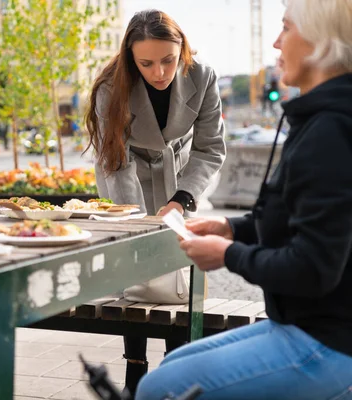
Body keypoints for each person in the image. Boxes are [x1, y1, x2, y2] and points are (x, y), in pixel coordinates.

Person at [136, 1, 352, 399]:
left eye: (286, 28)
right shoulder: (323, 120)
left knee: (159, 388)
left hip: (329, 340)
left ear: (323, 43)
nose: (275, 43)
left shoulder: (331, 132)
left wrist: (227, 254)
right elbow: (299, 219)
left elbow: (313, 268)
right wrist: (231, 227)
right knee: (171, 367)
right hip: (308, 324)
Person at [84, 10, 226, 397]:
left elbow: (211, 148)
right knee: (135, 270)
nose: (159, 71)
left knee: (179, 271)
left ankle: (175, 368)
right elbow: (115, 165)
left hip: (181, 179)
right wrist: (137, 224)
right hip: (126, 176)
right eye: (146, 63)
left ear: (183, 50)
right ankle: (135, 369)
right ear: (131, 58)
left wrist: (181, 199)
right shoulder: (110, 90)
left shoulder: (203, 76)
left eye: (168, 59)